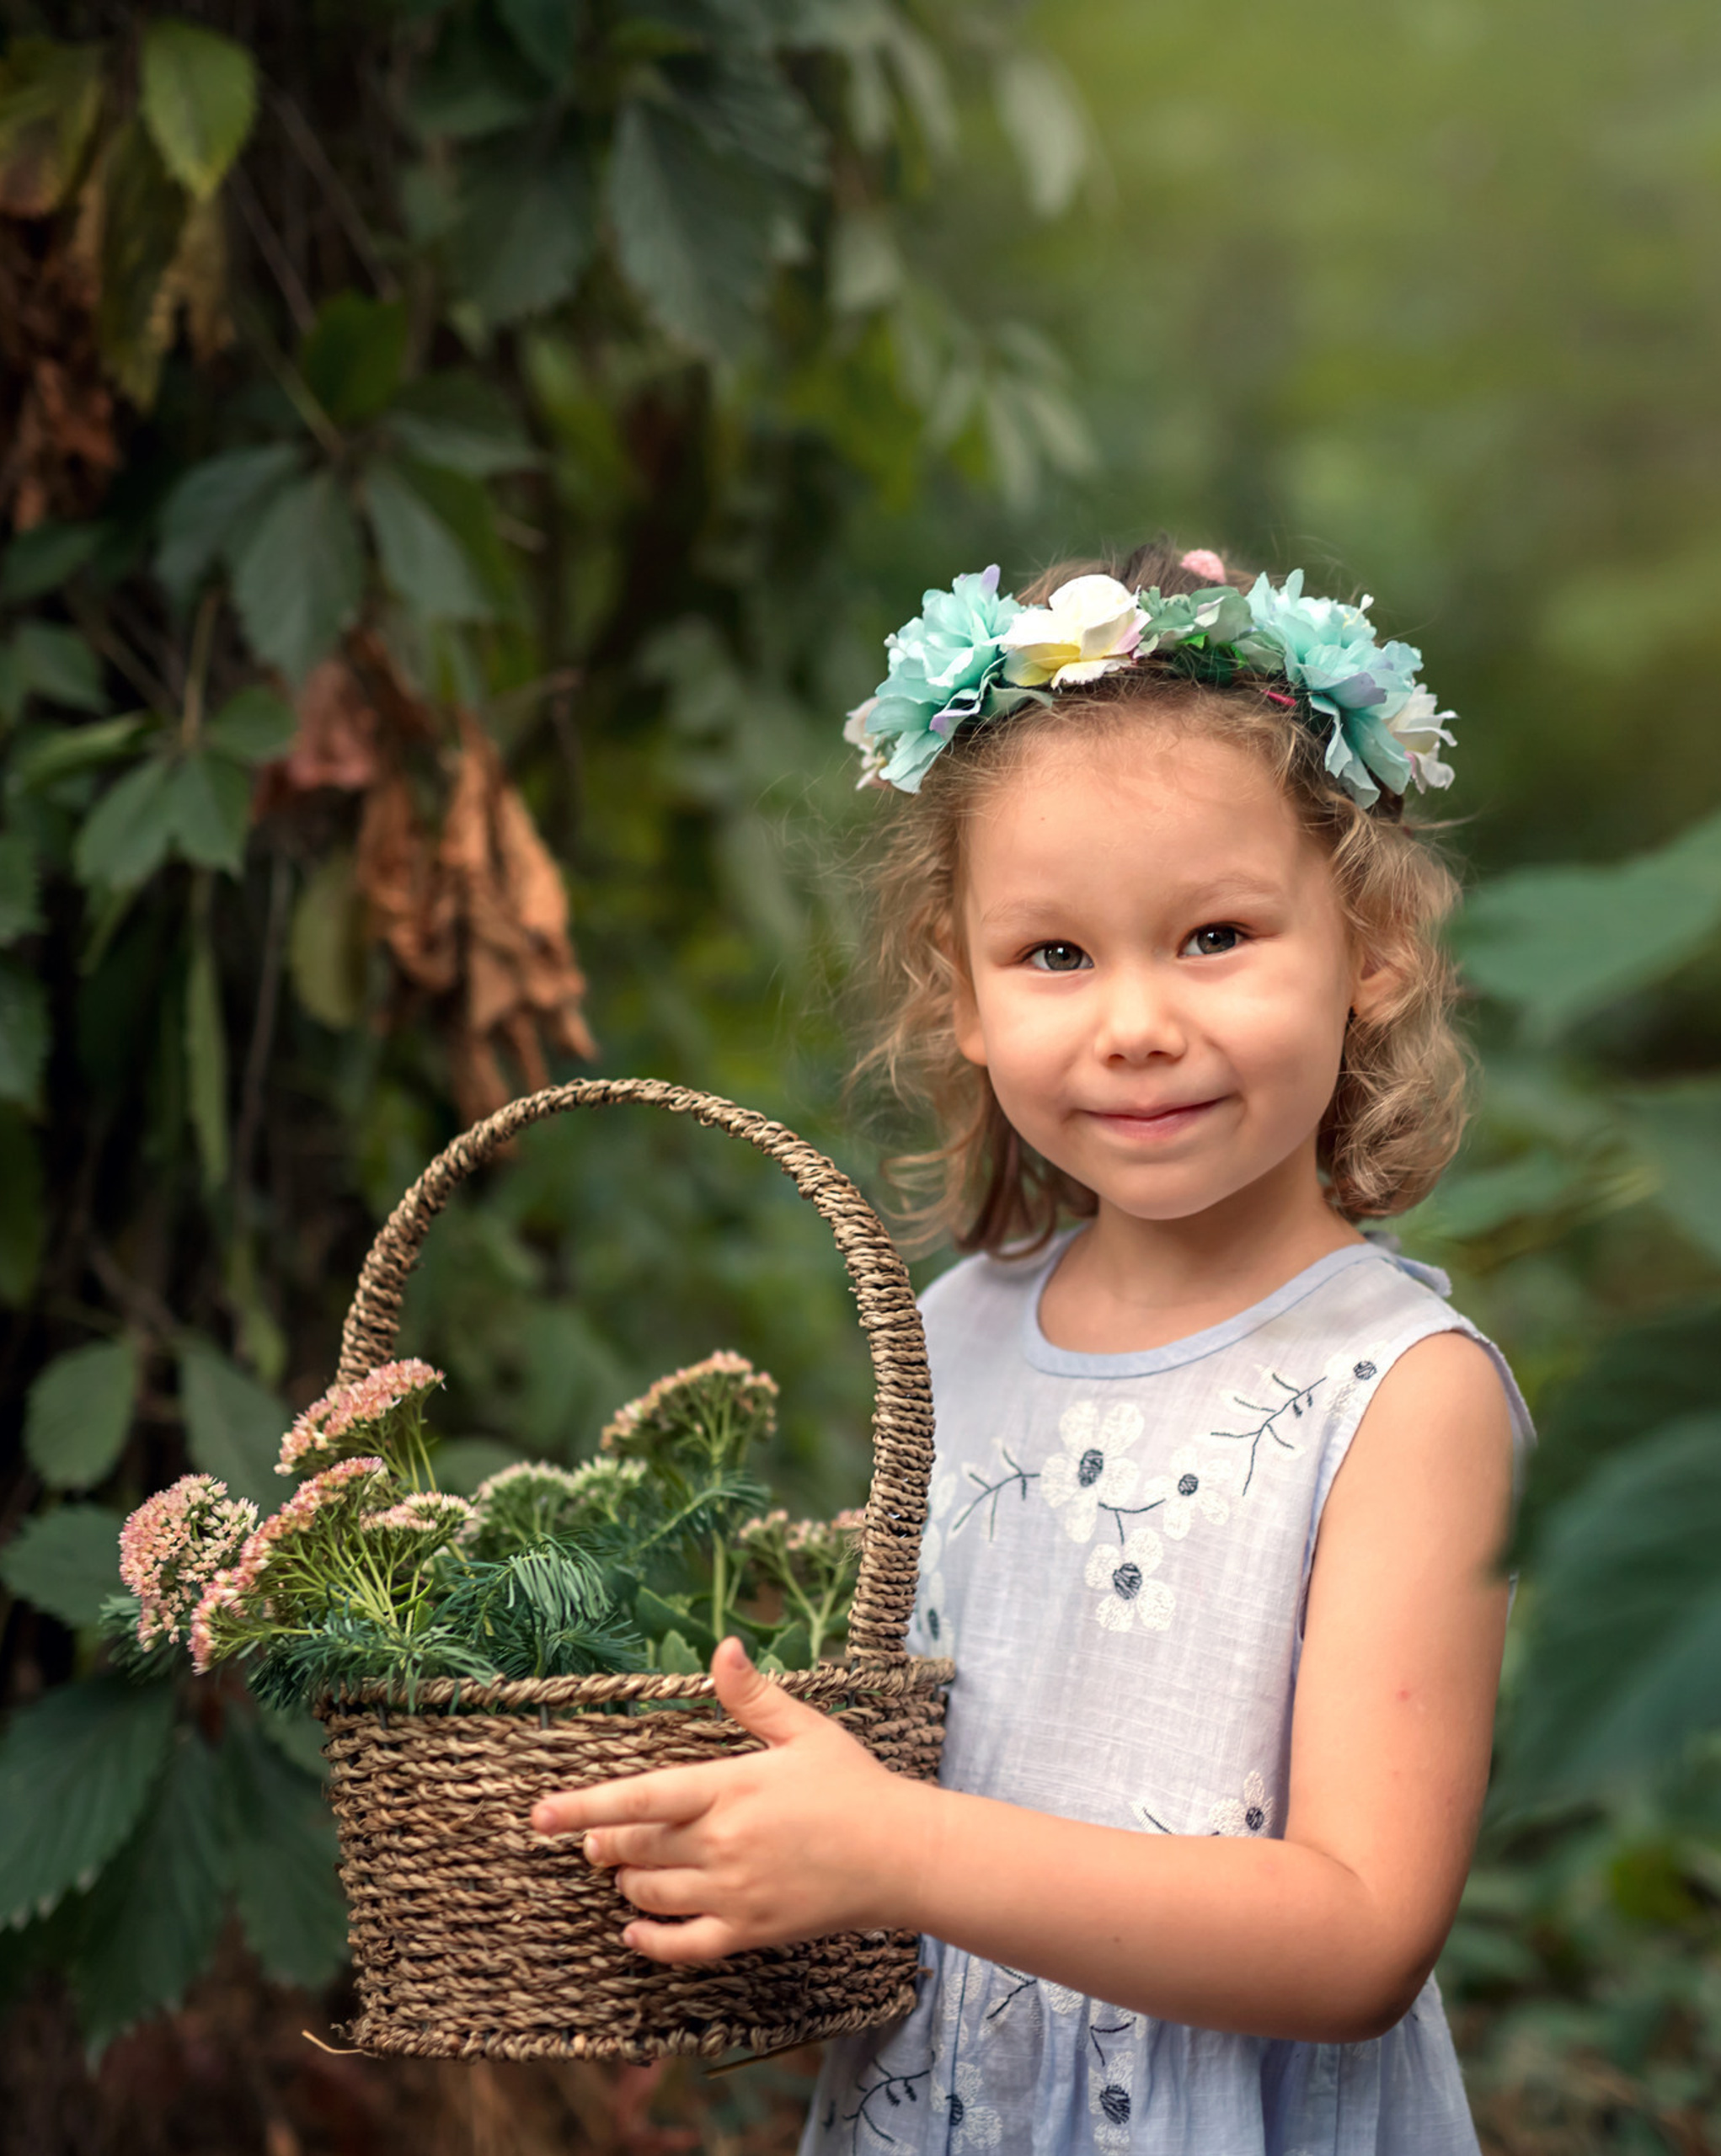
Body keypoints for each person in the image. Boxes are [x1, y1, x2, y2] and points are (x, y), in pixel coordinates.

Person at [532, 540, 1531, 2154]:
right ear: (964, 994)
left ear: (1371, 947)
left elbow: (1360, 1938)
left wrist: (894, 1851)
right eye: (1057, 956)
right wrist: (746, 1872)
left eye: (1215, 935)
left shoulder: (1405, 1393)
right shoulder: (954, 1332)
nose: (1135, 1025)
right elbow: (901, 1781)